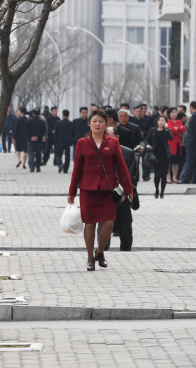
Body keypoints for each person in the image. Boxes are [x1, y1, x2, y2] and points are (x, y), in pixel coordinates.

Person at [68, 109, 133, 271]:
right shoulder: (82, 143)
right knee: (89, 224)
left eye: (101, 121)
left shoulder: (112, 143)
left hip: (108, 189)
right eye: (94, 121)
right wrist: (71, 192)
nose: (97, 124)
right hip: (88, 189)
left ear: (106, 124)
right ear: (89, 124)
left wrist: (128, 188)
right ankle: (90, 257)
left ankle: (100, 251)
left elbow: (122, 167)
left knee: (109, 222)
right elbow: (77, 169)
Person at [103, 126, 137, 251]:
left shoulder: (127, 153)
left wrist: (124, 193)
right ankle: (102, 250)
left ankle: (126, 250)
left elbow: (130, 174)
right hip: (105, 195)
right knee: (104, 225)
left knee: (125, 226)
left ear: (117, 138)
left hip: (122, 195)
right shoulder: (100, 152)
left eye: (110, 136)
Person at [146, 115, 173, 199]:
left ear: (165, 122)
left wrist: (165, 129)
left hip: (165, 155)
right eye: (160, 120)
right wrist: (148, 145)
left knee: (164, 175)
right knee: (157, 175)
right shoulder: (152, 130)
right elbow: (147, 139)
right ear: (157, 122)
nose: (161, 122)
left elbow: (171, 138)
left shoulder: (167, 130)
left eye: (163, 120)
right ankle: (157, 190)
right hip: (155, 155)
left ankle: (162, 193)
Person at [179, 101, 196, 184]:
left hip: (193, 142)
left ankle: (185, 179)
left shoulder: (195, 116)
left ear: (191, 107)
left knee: (190, 160)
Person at [166, 107, 186, 183]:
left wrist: (177, 129)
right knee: (169, 161)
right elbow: (171, 130)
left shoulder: (178, 121)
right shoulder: (168, 121)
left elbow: (183, 129)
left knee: (176, 161)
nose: (175, 114)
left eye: (175, 112)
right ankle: (167, 177)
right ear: (169, 114)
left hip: (178, 144)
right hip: (170, 144)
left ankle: (174, 177)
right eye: (173, 112)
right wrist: (178, 129)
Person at [26, 108, 47, 173]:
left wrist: (31, 137)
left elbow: (27, 131)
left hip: (30, 140)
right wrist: (38, 137)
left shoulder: (28, 121)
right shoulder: (42, 122)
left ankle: (32, 168)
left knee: (31, 154)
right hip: (39, 141)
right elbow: (44, 131)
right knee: (38, 154)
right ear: (39, 114)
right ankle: (38, 168)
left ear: (33, 113)